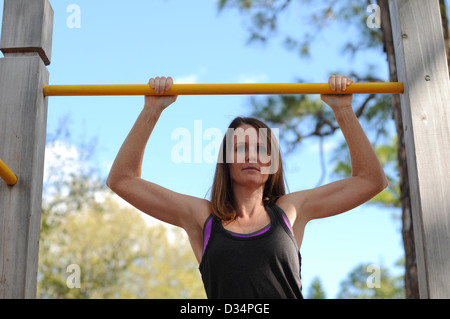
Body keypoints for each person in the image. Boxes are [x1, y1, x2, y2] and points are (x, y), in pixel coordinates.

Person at [106, 75, 388, 299]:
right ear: (226, 161)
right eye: (241, 148)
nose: (252, 155)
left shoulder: (290, 210)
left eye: (261, 148)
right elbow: (122, 180)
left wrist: (343, 110)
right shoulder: (202, 218)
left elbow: (371, 181)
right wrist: (152, 110)